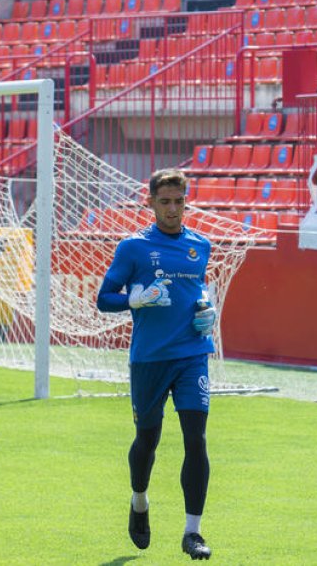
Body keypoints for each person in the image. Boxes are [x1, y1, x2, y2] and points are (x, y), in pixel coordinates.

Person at [95, 169, 216, 561]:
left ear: (186, 201)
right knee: (147, 440)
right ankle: (140, 501)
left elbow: (198, 292)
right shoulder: (133, 247)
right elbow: (104, 298)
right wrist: (135, 298)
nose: (172, 209)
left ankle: (193, 532)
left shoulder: (201, 245)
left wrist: (208, 312)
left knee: (195, 438)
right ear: (150, 203)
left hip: (192, 355)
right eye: (164, 201)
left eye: (179, 201)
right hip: (149, 358)